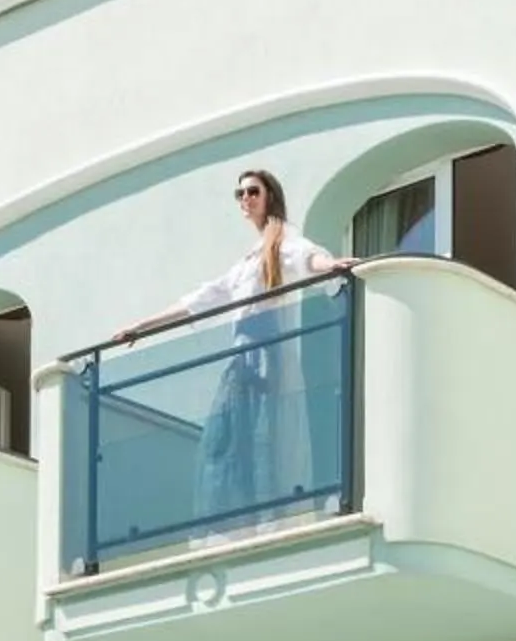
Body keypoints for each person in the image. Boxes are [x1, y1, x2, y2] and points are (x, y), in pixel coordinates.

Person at [115, 169, 355, 533]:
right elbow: (202, 299)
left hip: (267, 356)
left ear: (269, 196)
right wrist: (141, 327)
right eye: (239, 193)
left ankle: (269, 522)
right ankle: (238, 523)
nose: (245, 199)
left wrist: (331, 265)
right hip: (240, 362)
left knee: (265, 440)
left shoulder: (281, 242)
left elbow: (307, 258)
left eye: (252, 192)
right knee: (228, 443)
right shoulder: (246, 261)